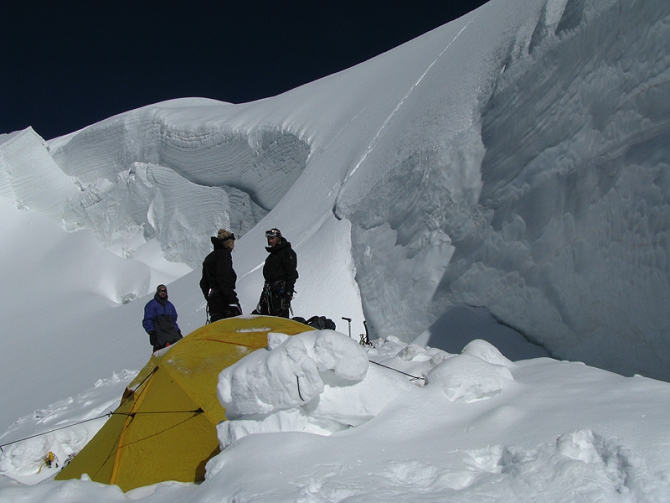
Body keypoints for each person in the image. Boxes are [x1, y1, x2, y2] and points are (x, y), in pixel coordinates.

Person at [253, 228, 298, 318]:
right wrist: (263, 296)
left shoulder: (287, 253)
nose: (271, 241)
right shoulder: (271, 257)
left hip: (280, 295)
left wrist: (287, 295)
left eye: (273, 238)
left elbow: (292, 275)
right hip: (269, 295)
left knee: (279, 321)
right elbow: (268, 279)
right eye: (269, 239)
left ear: (278, 238)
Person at [200, 229, 242, 323]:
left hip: (213, 302)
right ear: (228, 243)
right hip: (224, 300)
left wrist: (210, 298)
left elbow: (203, 283)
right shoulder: (224, 255)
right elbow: (223, 278)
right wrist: (231, 299)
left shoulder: (209, 258)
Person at [142, 284, 182, 352]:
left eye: (164, 291)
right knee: (162, 353)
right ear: (157, 292)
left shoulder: (170, 305)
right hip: (160, 335)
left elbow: (173, 320)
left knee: (179, 349)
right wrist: (152, 332)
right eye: (161, 291)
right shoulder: (152, 305)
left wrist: (177, 331)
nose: (163, 292)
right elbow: (148, 320)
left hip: (172, 334)